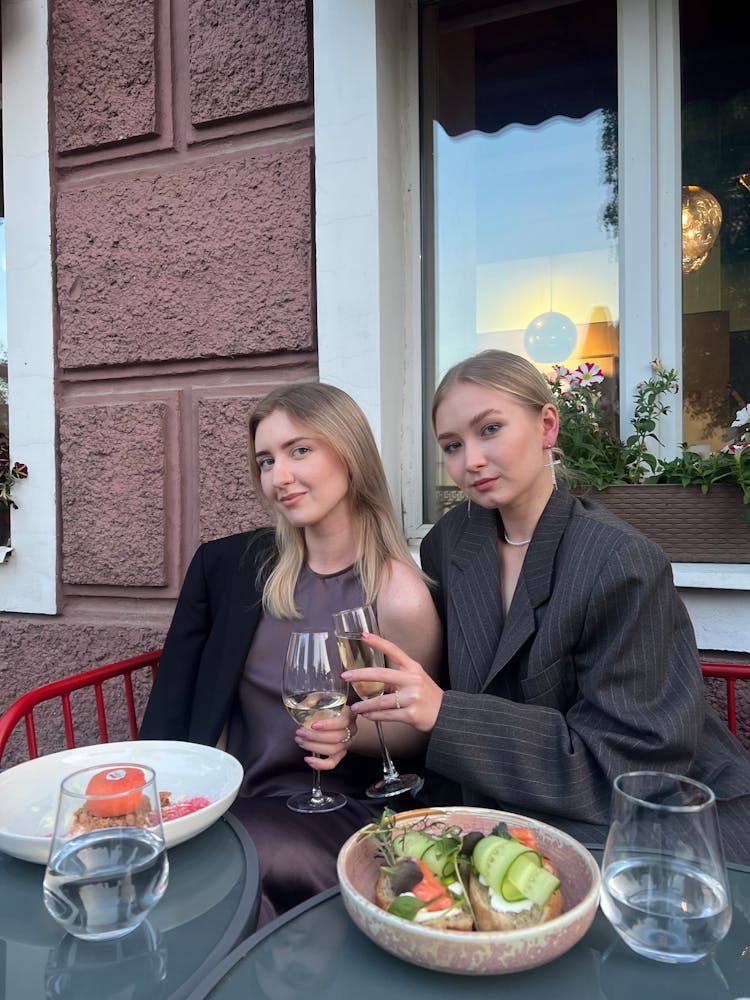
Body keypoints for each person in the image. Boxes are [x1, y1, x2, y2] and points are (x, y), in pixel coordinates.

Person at [343, 349, 750, 862]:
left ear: (548, 426)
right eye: (451, 445)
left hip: (660, 824)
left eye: (489, 429)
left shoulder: (620, 561)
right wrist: (355, 725)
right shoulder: (449, 543)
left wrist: (446, 713)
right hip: (513, 809)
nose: (469, 460)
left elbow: (628, 769)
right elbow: (450, 693)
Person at [139, 382, 442, 924]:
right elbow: (175, 704)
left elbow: (416, 733)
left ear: (349, 453)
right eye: (265, 460)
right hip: (235, 798)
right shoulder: (235, 572)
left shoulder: (400, 593)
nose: (279, 477)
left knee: (231, 866)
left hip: (343, 809)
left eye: (300, 450)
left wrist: (349, 732)